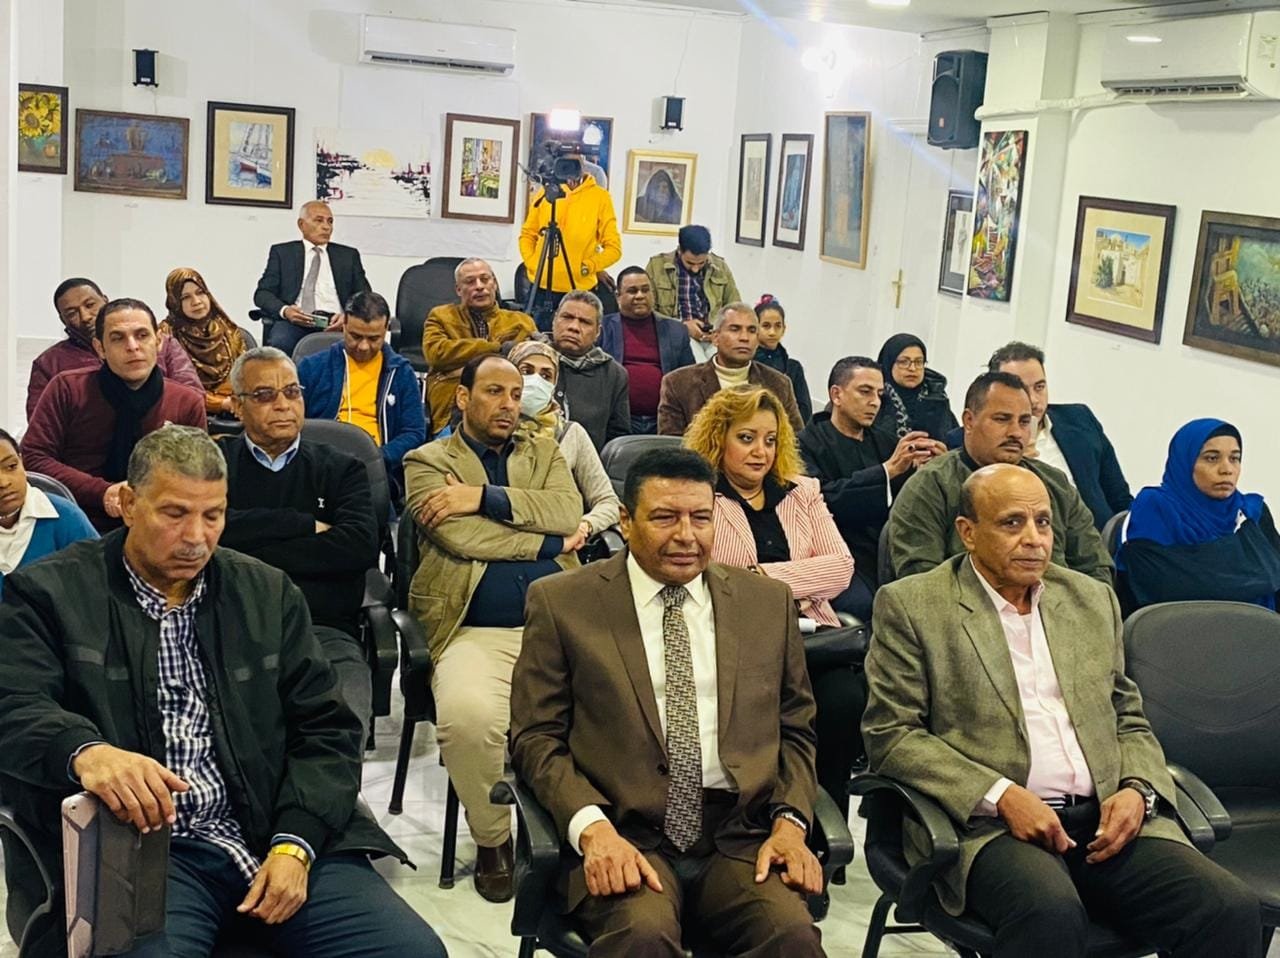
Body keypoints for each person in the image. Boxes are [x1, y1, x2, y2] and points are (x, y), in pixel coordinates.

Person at [0, 425, 446, 958]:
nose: (196, 537)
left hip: (271, 828)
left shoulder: (267, 592)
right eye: (175, 513)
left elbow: (326, 729)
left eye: (213, 515)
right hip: (146, 849)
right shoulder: (51, 594)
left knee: (414, 951)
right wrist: (85, 751)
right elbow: (14, 704)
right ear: (129, 504)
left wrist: (296, 842)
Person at [862, 463, 1261, 958]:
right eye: (1012, 523)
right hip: (990, 827)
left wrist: (1138, 788)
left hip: (1105, 818)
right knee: (1050, 914)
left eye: (1043, 522)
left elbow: (1126, 715)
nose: (1034, 539)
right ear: (968, 532)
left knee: (1227, 909)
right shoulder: (915, 605)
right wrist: (1001, 795)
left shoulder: (1090, 600)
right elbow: (892, 734)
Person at [511, 446, 826, 958]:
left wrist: (791, 823)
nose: (686, 535)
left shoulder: (765, 602)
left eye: (701, 518)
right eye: (664, 518)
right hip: (623, 828)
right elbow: (536, 739)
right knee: (642, 937)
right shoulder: (563, 602)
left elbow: (796, 730)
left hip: (738, 834)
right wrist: (591, 829)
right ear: (626, 521)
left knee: (791, 936)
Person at [403, 354, 582, 903]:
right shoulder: (426, 461)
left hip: (561, 626)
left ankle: (585, 828)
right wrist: (549, 543)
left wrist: (483, 498)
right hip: (473, 628)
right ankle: (492, 839)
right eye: (494, 392)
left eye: (515, 394)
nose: (508, 404)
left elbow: (568, 512)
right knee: (467, 720)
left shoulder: (544, 449)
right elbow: (461, 538)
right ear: (463, 397)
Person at [683, 386, 861, 822]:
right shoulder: (700, 495)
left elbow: (841, 567)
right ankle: (756, 821)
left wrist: (762, 578)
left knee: (844, 699)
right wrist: (799, 579)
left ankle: (824, 827)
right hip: (734, 638)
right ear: (719, 437)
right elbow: (709, 577)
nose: (760, 452)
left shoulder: (802, 491)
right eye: (746, 438)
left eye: (770, 440)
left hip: (810, 637)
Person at [217, 347, 380, 742]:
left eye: (292, 392)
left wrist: (245, 549)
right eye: (264, 395)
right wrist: (303, 523)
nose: (282, 405)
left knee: (340, 740)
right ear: (237, 406)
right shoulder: (214, 465)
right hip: (228, 630)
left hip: (322, 630)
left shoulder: (341, 467)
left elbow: (358, 547)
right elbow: (203, 537)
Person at [888, 372, 1112, 586]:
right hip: (966, 610)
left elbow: (1097, 569)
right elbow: (921, 583)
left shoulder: (1055, 484)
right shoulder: (931, 486)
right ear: (969, 421)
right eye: (1002, 419)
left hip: (1055, 608)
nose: (1016, 432)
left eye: (1024, 422)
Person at [21, 298, 207, 532]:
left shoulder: (186, 402)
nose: (132, 346)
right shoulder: (68, 389)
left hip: (158, 523)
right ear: (100, 348)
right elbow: (35, 457)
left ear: (159, 341)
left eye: (142, 335)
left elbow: (196, 474)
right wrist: (103, 492)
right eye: (118, 338)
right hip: (77, 519)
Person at [798, 357, 946, 619]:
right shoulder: (805, 444)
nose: (875, 402)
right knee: (871, 606)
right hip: (838, 552)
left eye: (879, 394)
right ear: (836, 395)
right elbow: (826, 499)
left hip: (888, 548)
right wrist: (888, 470)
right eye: (865, 392)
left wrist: (930, 471)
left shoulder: (885, 441)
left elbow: (907, 501)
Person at [960, 341, 1132, 531]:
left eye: (1039, 387)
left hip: (1096, 536)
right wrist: (1014, 465)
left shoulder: (1079, 419)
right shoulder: (973, 441)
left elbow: (1119, 497)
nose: (1034, 400)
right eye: (1021, 388)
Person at [1117, 418, 1280, 611]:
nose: (1226, 470)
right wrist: (1253, 578)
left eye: (1234, 458)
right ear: (1184, 462)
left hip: (1260, 627)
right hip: (1177, 626)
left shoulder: (1251, 512)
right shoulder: (1155, 507)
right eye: (1212, 458)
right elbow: (1158, 586)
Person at [297, 290, 427, 502]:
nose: (363, 346)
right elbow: (296, 423)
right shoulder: (312, 367)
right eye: (355, 336)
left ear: (386, 329)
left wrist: (377, 457)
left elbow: (414, 432)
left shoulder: (401, 372)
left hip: (376, 467)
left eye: (374, 338)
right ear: (344, 326)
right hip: (321, 462)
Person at [26, 277, 202, 418]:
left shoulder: (164, 344)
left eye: (90, 305)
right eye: (72, 313)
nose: (85, 316)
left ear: (104, 300)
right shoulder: (49, 364)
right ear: (62, 319)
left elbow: (193, 397)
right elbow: (40, 424)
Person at [510, 340, 621, 552]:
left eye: (546, 376)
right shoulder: (493, 431)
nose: (536, 380)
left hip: (560, 546)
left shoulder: (572, 434)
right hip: (505, 543)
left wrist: (584, 526)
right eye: (526, 371)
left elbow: (609, 502)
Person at [423, 257, 536, 434]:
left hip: (509, 413)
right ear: (458, 289)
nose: (479, 286)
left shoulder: (520, 322)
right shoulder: (441, 316)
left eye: (485, 279)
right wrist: (497, 349)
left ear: (495, 284)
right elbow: (436, 354)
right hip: (453, 412)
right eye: (470, 282)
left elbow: (528, 365)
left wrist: (460, 369)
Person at [657, 303, 803, 436]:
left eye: (752, 331)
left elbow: (795, 442)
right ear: (715, 337)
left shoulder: (779, 384)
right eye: (735, 329)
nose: (744, 337)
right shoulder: (678, 383)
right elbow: (671, 447)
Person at [253, 200, 371, 354]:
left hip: (336, 323)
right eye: (319, 220)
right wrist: (285, 310)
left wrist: (349, 316)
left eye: (330, 221)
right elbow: (262, 294)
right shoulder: (283, 253)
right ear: (301, 224)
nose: (326, 227)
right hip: (295, 322)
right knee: (280, 342)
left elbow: (365, 297)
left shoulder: (348, 256)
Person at [518, 161, 621, 330]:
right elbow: (527, 234)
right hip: (540, 289)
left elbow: (614, 248)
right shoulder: (546, 193)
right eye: (565, 160)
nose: (569, 167)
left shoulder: (600, 197)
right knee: (535, 340)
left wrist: (588, 267)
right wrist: (532, 263)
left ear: (583, 163)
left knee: (575, 340)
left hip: (579, 291)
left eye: (575, 161)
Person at [0, 427, 97, 598]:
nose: (4, 482)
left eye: (11, 466)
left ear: (22, 461)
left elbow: (99, 583)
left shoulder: (65, 517)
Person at [600, 266, 695, 434]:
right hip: (616, 421)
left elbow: (689, 379)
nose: (640, 296)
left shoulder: (676, 330)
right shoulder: (602, 328)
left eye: (645, 290)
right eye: (632, 291)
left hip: (664, 420)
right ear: (618, 296)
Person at [158, 267, 247, 417]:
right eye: (185, 297)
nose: (196, 302)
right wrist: (220, 404)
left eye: (200, 293)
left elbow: (245, 375)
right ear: (175, 302)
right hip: (186, 413)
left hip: (237, 406)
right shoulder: (166, 335)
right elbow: (170, 387)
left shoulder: (228, 330)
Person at [645, 225, 743, 363]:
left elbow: (735, 306)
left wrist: (720, 330)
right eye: (690, 263)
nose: (696, 269)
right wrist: (682, 325)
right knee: (700, 366)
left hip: (714, 335)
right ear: (680, 250)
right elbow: (649, 311)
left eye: (701, 263)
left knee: (726, 364)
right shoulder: (657, 267)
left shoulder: (720, 267)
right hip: (677, 334)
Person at [548, 290, 631, 451]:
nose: (574, 327)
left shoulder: (614, 374)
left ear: (598, 332)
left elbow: (618, 439)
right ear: (554, 320)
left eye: (585, 322)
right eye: (567, 317)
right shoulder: (529, 359)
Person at [872, 333, 958, 442]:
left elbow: (955, 443)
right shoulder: (876, 400)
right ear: (888, 364)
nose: (912, 368)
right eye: (904, 362)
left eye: (919, 362)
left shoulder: (936, 399)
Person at [754, 295, 813, 425]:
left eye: (778, 326)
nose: (772, 332)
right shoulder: (747, 363)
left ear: (784, 329)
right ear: (755, 328)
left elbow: (805, 411)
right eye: (766, 326)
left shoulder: (793, 367)